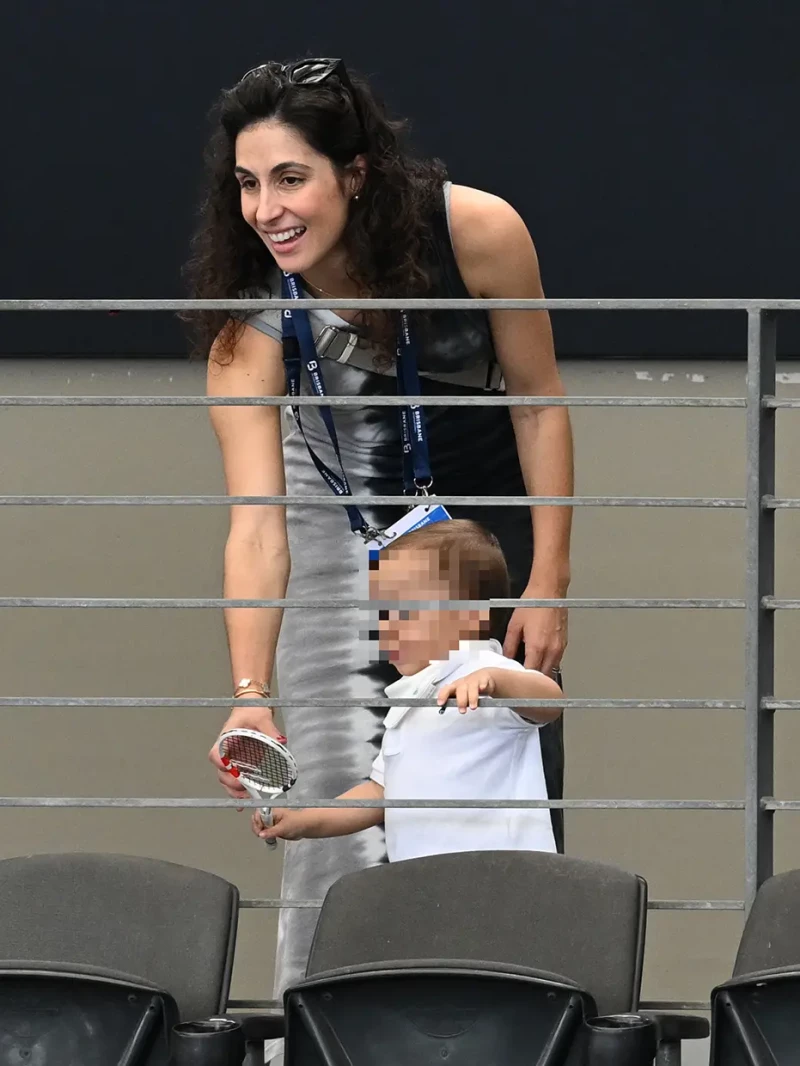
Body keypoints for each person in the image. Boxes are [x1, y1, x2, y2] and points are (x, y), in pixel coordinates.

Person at [184, 56, 574, 998]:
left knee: (498, 771)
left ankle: (513, 1013)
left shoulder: (476, 230)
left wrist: (552, 583)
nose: (266, 209)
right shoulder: (250, 321)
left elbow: (539, 404)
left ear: (354, 173)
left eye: (290, 178)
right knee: (335, 797)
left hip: (476, 533)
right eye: (247, 183)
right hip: (334, 534)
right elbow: (256, 526)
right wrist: (249, 689)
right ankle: (330, 1025)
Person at [251, 520, 563, 858]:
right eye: (383, 612)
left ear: (470, 617)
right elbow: (379, 794)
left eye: (407, 611)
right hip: (424, 888)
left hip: (499, 881)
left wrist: (496, 681)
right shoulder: (408, 701)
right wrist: (304, 821)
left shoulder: (481, 668)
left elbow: (550, 701)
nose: (388, 626)